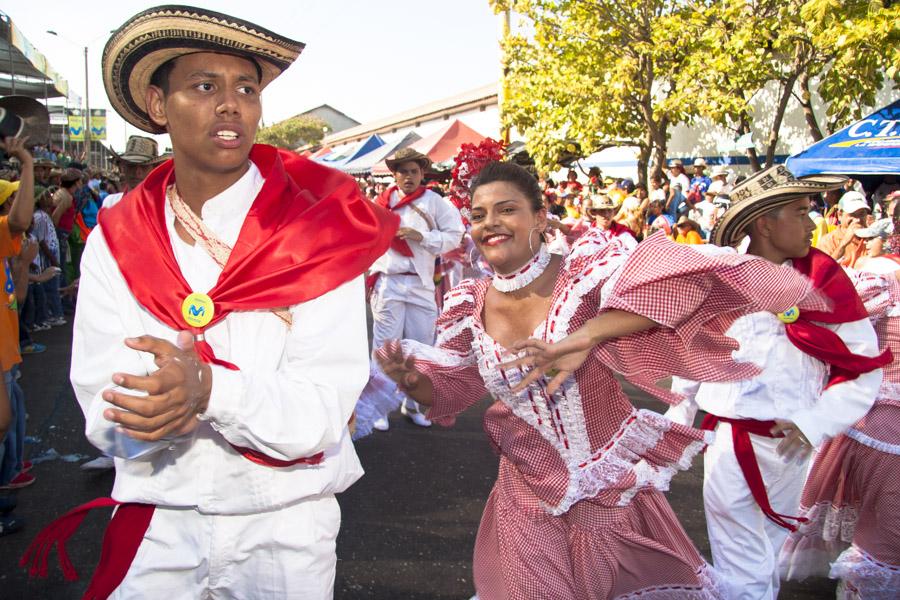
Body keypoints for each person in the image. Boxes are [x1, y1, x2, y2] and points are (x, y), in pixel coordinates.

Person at [21, 6, 396, 598]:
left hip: (285, 528)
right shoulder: (118, 238)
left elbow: (324, 411)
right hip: (160, 522)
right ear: (156, 105)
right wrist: (147, 418)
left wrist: (210, 391)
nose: (231, 104)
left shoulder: (317, 232)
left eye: (246, 88)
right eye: (203, 86)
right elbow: (101, 398)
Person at [376, 160, 834, 599]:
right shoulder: (467, 303)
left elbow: (676, 291)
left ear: (540, 218)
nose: (489, 223)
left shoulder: (583, 274)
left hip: (603, 489)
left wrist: (583, 336)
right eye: (478, 215)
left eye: (506, 209)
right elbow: (454, 392)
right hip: (525, 495)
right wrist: (412, 381)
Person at [664, 165, 886, 600]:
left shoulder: (824, 279)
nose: (812, 223)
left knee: (764, 556)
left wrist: (814, 421)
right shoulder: (721, 275)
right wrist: (676, 419)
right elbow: (692, 350)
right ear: (766, 223)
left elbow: (863, 365)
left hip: (794, 446)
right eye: (800, 212)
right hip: (730, 440)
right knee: (742, 567)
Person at [779, 258, 900, 598]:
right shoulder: (881, 286)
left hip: (875, 428)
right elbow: (820, 334)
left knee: (883, 533)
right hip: (883, 430)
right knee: (886, 539)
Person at [367, 147, 464, 430]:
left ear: (422, 174)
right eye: (402, 172)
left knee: (421, 347)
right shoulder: (379, 203)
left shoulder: (435, 203)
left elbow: (455, 237)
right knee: (385, 349)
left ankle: (412, 404)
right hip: (389, 281)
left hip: (421, 284)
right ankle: (377, 409)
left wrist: (419, 235)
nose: (408, 177)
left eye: (413, 171)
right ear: (394, 175)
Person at [0, 137, 36, 503]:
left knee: (13, 418)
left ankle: (9, 473)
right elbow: (21, 219)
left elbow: (19, 298)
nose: (16, 201)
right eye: (10, 197)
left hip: (7, 352)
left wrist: (25, 265)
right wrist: (26, 162)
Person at [817, 191, 870, 267]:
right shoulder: (828, 241)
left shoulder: (871, 238)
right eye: (852, 214)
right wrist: (844, 243)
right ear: (840, 215)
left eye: (861, 214)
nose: (857, 220)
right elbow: (822, 270)